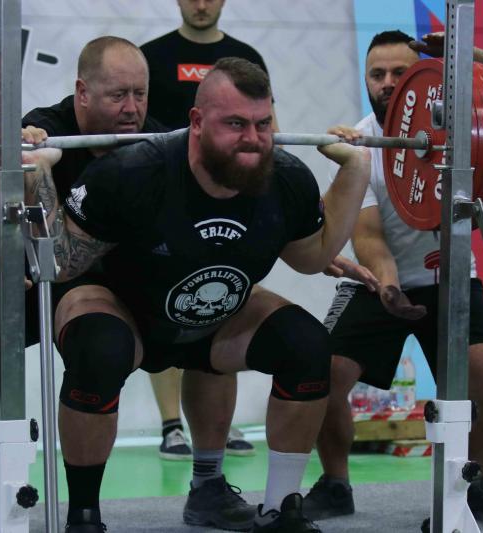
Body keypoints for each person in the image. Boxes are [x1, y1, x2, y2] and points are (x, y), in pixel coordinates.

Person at [23, 57, 371, 533]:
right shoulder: (133, 172)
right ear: (197, 122)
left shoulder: (285, 177)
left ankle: (279, 509)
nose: (253, 139)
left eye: (262, 124)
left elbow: (311, 258)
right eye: (235, 124)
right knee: (98, 348)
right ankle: (84, 517)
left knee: (307, 346)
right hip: (124, 308)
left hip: (215, 316)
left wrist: (356, 168)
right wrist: (37, 174)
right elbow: (60, 265)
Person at [0, 36, 166, 532]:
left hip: (91, 274)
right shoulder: (42, 129)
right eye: (118, 95)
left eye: (140, 94)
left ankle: (86, 512)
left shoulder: (156, 143)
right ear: (82, 93)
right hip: (16, 258)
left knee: (104, 349)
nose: (132, 109)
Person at [300, 30, 483, 525]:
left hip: (451, 280)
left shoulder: (458, 128)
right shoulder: (360, 146)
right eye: (377, 74)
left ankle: (474, 485)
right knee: (322, 374)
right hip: (376, 283)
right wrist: (387, 285)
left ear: (422, 77)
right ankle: (335, 484)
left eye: (399, 73)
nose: (387, 83)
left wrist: (462, 53)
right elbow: (369, 236)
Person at [140, 0, 274, 458]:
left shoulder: (246, 58)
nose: (200, 4)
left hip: (229, 203)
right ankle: (171, 426)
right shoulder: (152, 57)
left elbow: (266, 132)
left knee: (224, 302)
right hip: (166, 202)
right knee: (164, 308)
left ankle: (219, 422)